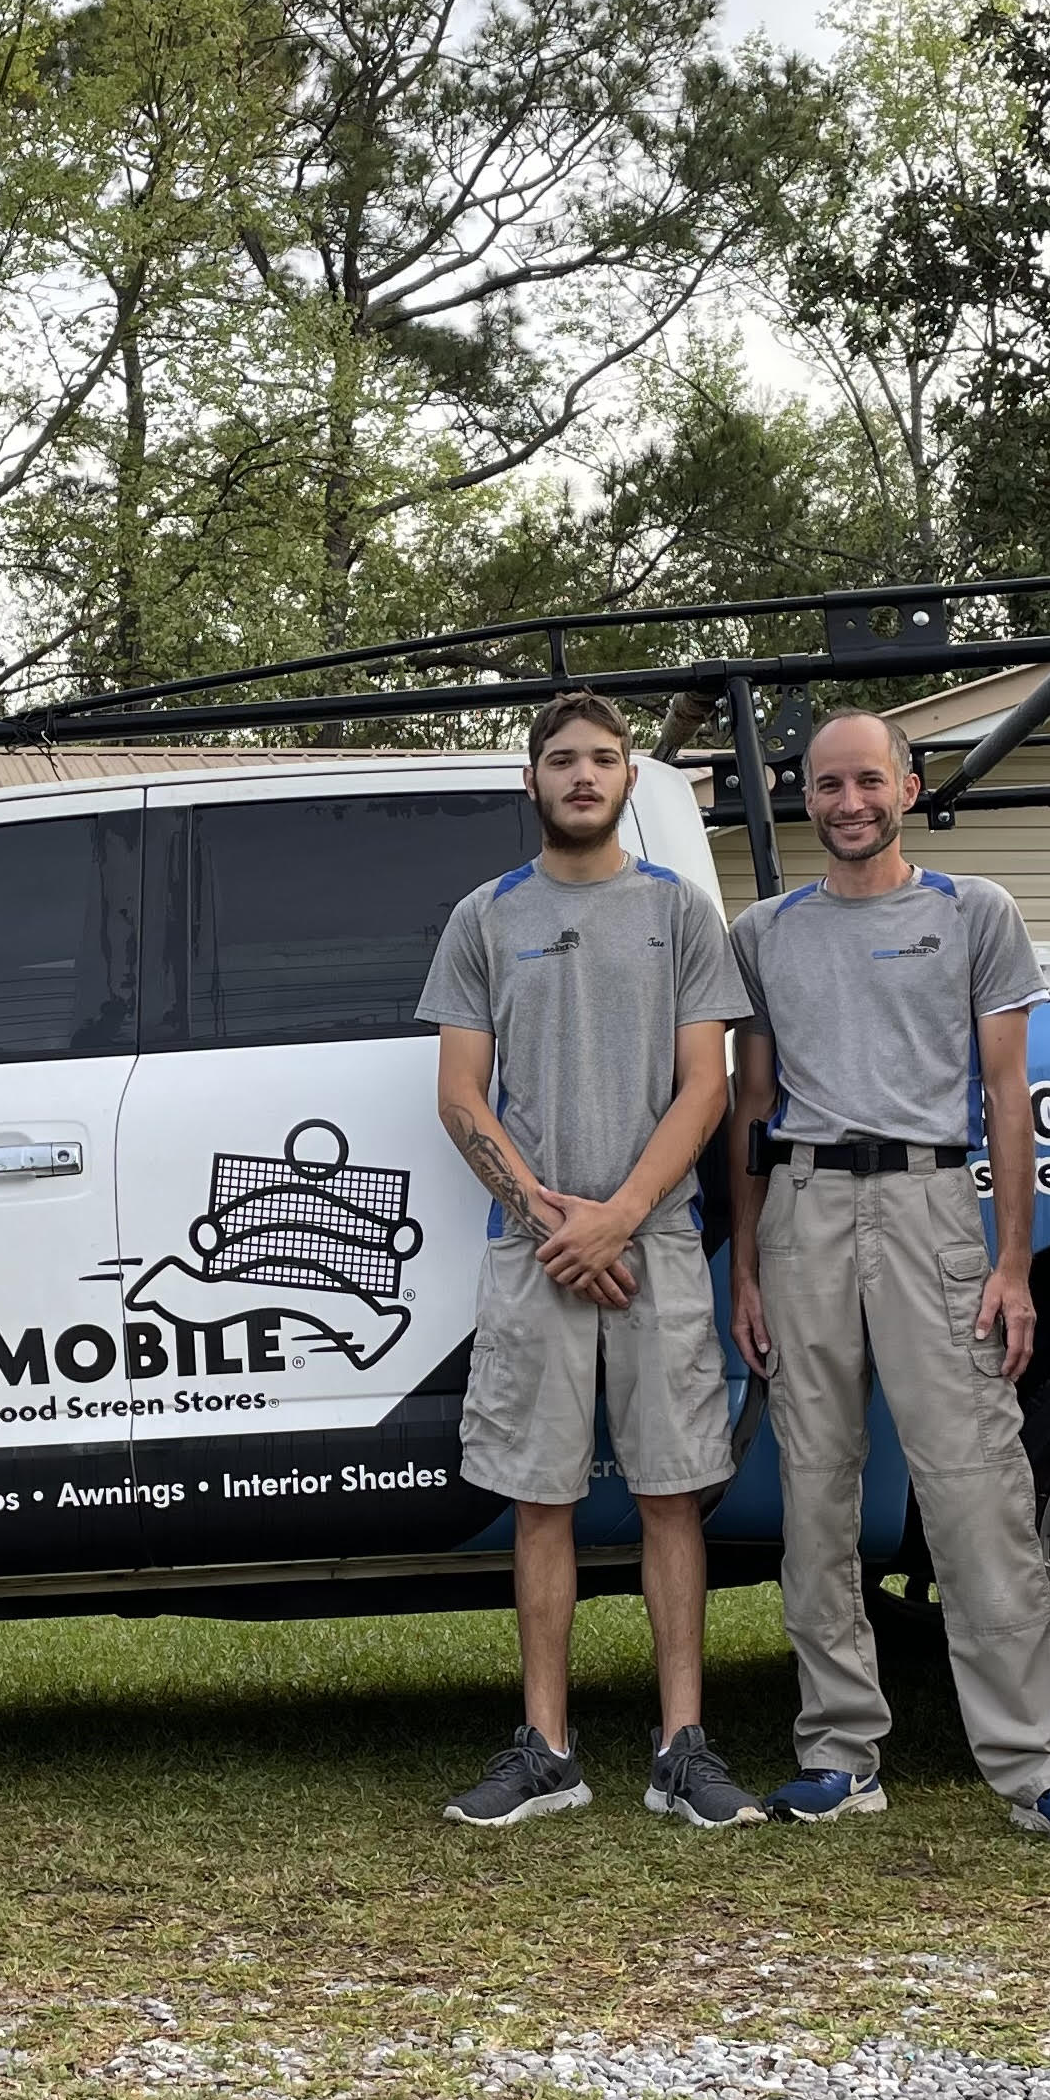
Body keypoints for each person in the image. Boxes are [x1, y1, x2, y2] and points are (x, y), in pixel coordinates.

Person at [722, 713, 1050, 1845]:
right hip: (804, 1208)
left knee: (975, 1489)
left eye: (868, 780)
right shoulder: (763, 933)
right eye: (826, 785)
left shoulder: (973, 913)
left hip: (931, 1207)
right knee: (815, 1490)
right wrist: (748, 1268)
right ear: (803, 798)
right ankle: (839, 1752)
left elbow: (1007, 1098)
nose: (849, 802)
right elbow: (751, 1106)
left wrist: (1012, 1262)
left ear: (909, 784)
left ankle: (1038, 1766)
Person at [420, 691, 761, 1831]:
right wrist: (554, 1222)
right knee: (540, 1500)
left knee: (673, 1495)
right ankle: (549, 1751)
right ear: (531, 780)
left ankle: (681, 1747)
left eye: (603, 759)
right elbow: (460, 1093)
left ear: (626, 779)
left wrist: (618, 1214)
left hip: (653, 1238)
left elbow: (706, 1085)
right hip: (536, 1246)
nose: (582, 775)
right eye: (560, 759)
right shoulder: (484, 916)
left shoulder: (678, 914)